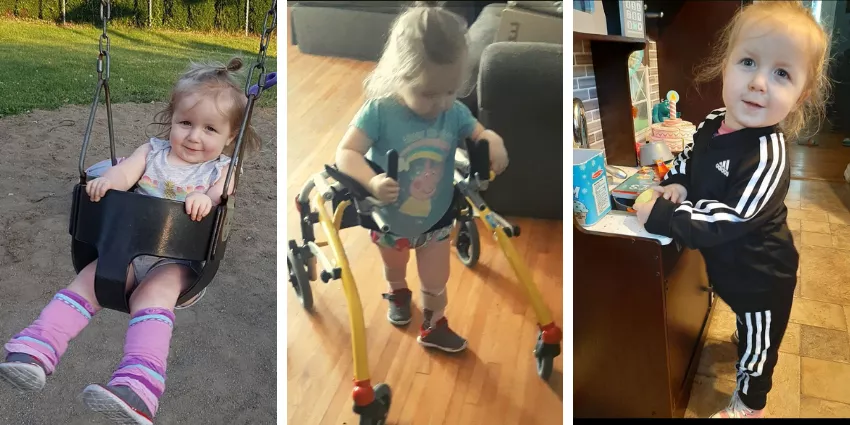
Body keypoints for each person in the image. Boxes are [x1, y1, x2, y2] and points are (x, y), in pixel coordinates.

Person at [0, 57, 261, 425]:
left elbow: (223, 193)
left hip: (177, 262)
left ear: (229, 137)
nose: (194, 136)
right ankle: (36, 349)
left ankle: (139, 386)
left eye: (209, 129)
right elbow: (124, 173)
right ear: (171, 119)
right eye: (185, 123)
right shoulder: (151, 152)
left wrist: (209, 198)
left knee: (154, 296)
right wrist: (109, 181)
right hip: (125, 249)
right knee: (87, 282)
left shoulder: (220, 170)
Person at [633, 1, 830, 418]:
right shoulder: (711, 122)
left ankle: (749, 406)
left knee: (758, 351)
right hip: (729, 270)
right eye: (748, 62)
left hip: (763, 278)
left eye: (781, 73)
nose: (759, 82)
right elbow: (689, 157)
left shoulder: (768, 155)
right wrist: (677, 182)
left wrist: (665, 216)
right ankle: (745, 334)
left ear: (800, 97)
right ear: (725, 67)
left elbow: (732, 217)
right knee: (744, 325)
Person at [335, 1, 509, 353]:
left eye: (451, 91)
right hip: (390, 218)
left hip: (437, 217)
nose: (442, 103)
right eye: (429, 93)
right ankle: (397, 292)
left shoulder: (454, 111)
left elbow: (480, 133)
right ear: (400, 76)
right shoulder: (380, 111)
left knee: (437, 277)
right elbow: (346, 153)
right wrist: (371, 181)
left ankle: (434, 323)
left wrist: (493, 140)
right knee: (395, 266)